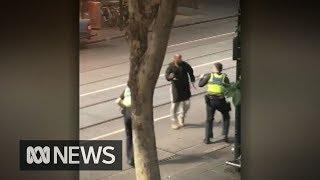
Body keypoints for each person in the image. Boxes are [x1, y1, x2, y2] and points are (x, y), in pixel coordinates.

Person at [198, 62, 231, 144]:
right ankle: (225, 136)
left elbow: (200, 85)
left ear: (215, 68)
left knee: (209, 119)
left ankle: (207, 139)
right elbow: (229, 88)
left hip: (210, 101)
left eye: (213, 67)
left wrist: (201, 78)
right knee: (226, 117)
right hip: (220, 101)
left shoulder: (209, 76)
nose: (212, 68)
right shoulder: (224, 77)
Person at [165, 54, 195, 130]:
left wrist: (192, 80)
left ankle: (181, 116)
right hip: (175, 88)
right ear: (174, 59)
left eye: (180, 58)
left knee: (187, 104)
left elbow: (190, 71)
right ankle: (174, 122)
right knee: (175, 105)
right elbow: (167, 76)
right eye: (178, 58)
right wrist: (170, 77)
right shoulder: (171, 66)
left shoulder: (185, 64)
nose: (180, 60)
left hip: (185, 86)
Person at [115, 85, 134, 167]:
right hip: (135, 113)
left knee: (129, 136)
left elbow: (118, 101)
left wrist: (124, 107)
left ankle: (130, 159)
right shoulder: (140, 88)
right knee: (139, 136)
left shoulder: (127, 88)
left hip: (127, 113)